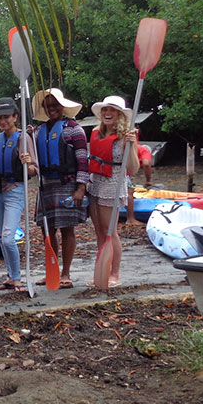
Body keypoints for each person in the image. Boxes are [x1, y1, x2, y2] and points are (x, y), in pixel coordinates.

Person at [31, 88, 88, 289]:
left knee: (67, 229)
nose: (52, 109)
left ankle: (66, 273)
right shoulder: (38, 131)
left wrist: (81, 188)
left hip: (67, 184)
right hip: (46, 186)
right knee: (47, 230)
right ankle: (51, 270)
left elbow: (83, 161)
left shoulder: (74, 129)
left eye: (55, 105)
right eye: (48, 106)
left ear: (62, 106)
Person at [87, 95, 139, 288]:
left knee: (111, 232)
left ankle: (115, 274)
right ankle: (102, 271)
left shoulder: (126, 136)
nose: (108, 113)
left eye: (112, 110)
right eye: (105, 110)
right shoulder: (95, 132)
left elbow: (133, 169)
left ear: (119, 114)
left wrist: (132, 145)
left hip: (113, 183)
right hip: (96, 183)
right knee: (100, 232)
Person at [0, 97, 38, 295]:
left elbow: (34, 170)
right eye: (0, 118)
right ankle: (11, 276)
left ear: (15, 117)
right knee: (2, 237)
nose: (3, 121)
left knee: (8, 238)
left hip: (15, 190)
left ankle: (17, 278)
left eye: (7, 117)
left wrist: (28, 163)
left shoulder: (23, 138)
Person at [124, 143, 154, 226]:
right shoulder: (145, 151)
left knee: (129, 188)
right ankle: (130, 219)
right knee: (129, 191)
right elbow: (146, 164)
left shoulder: (135, 147)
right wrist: (148, 181)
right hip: (119, 170)